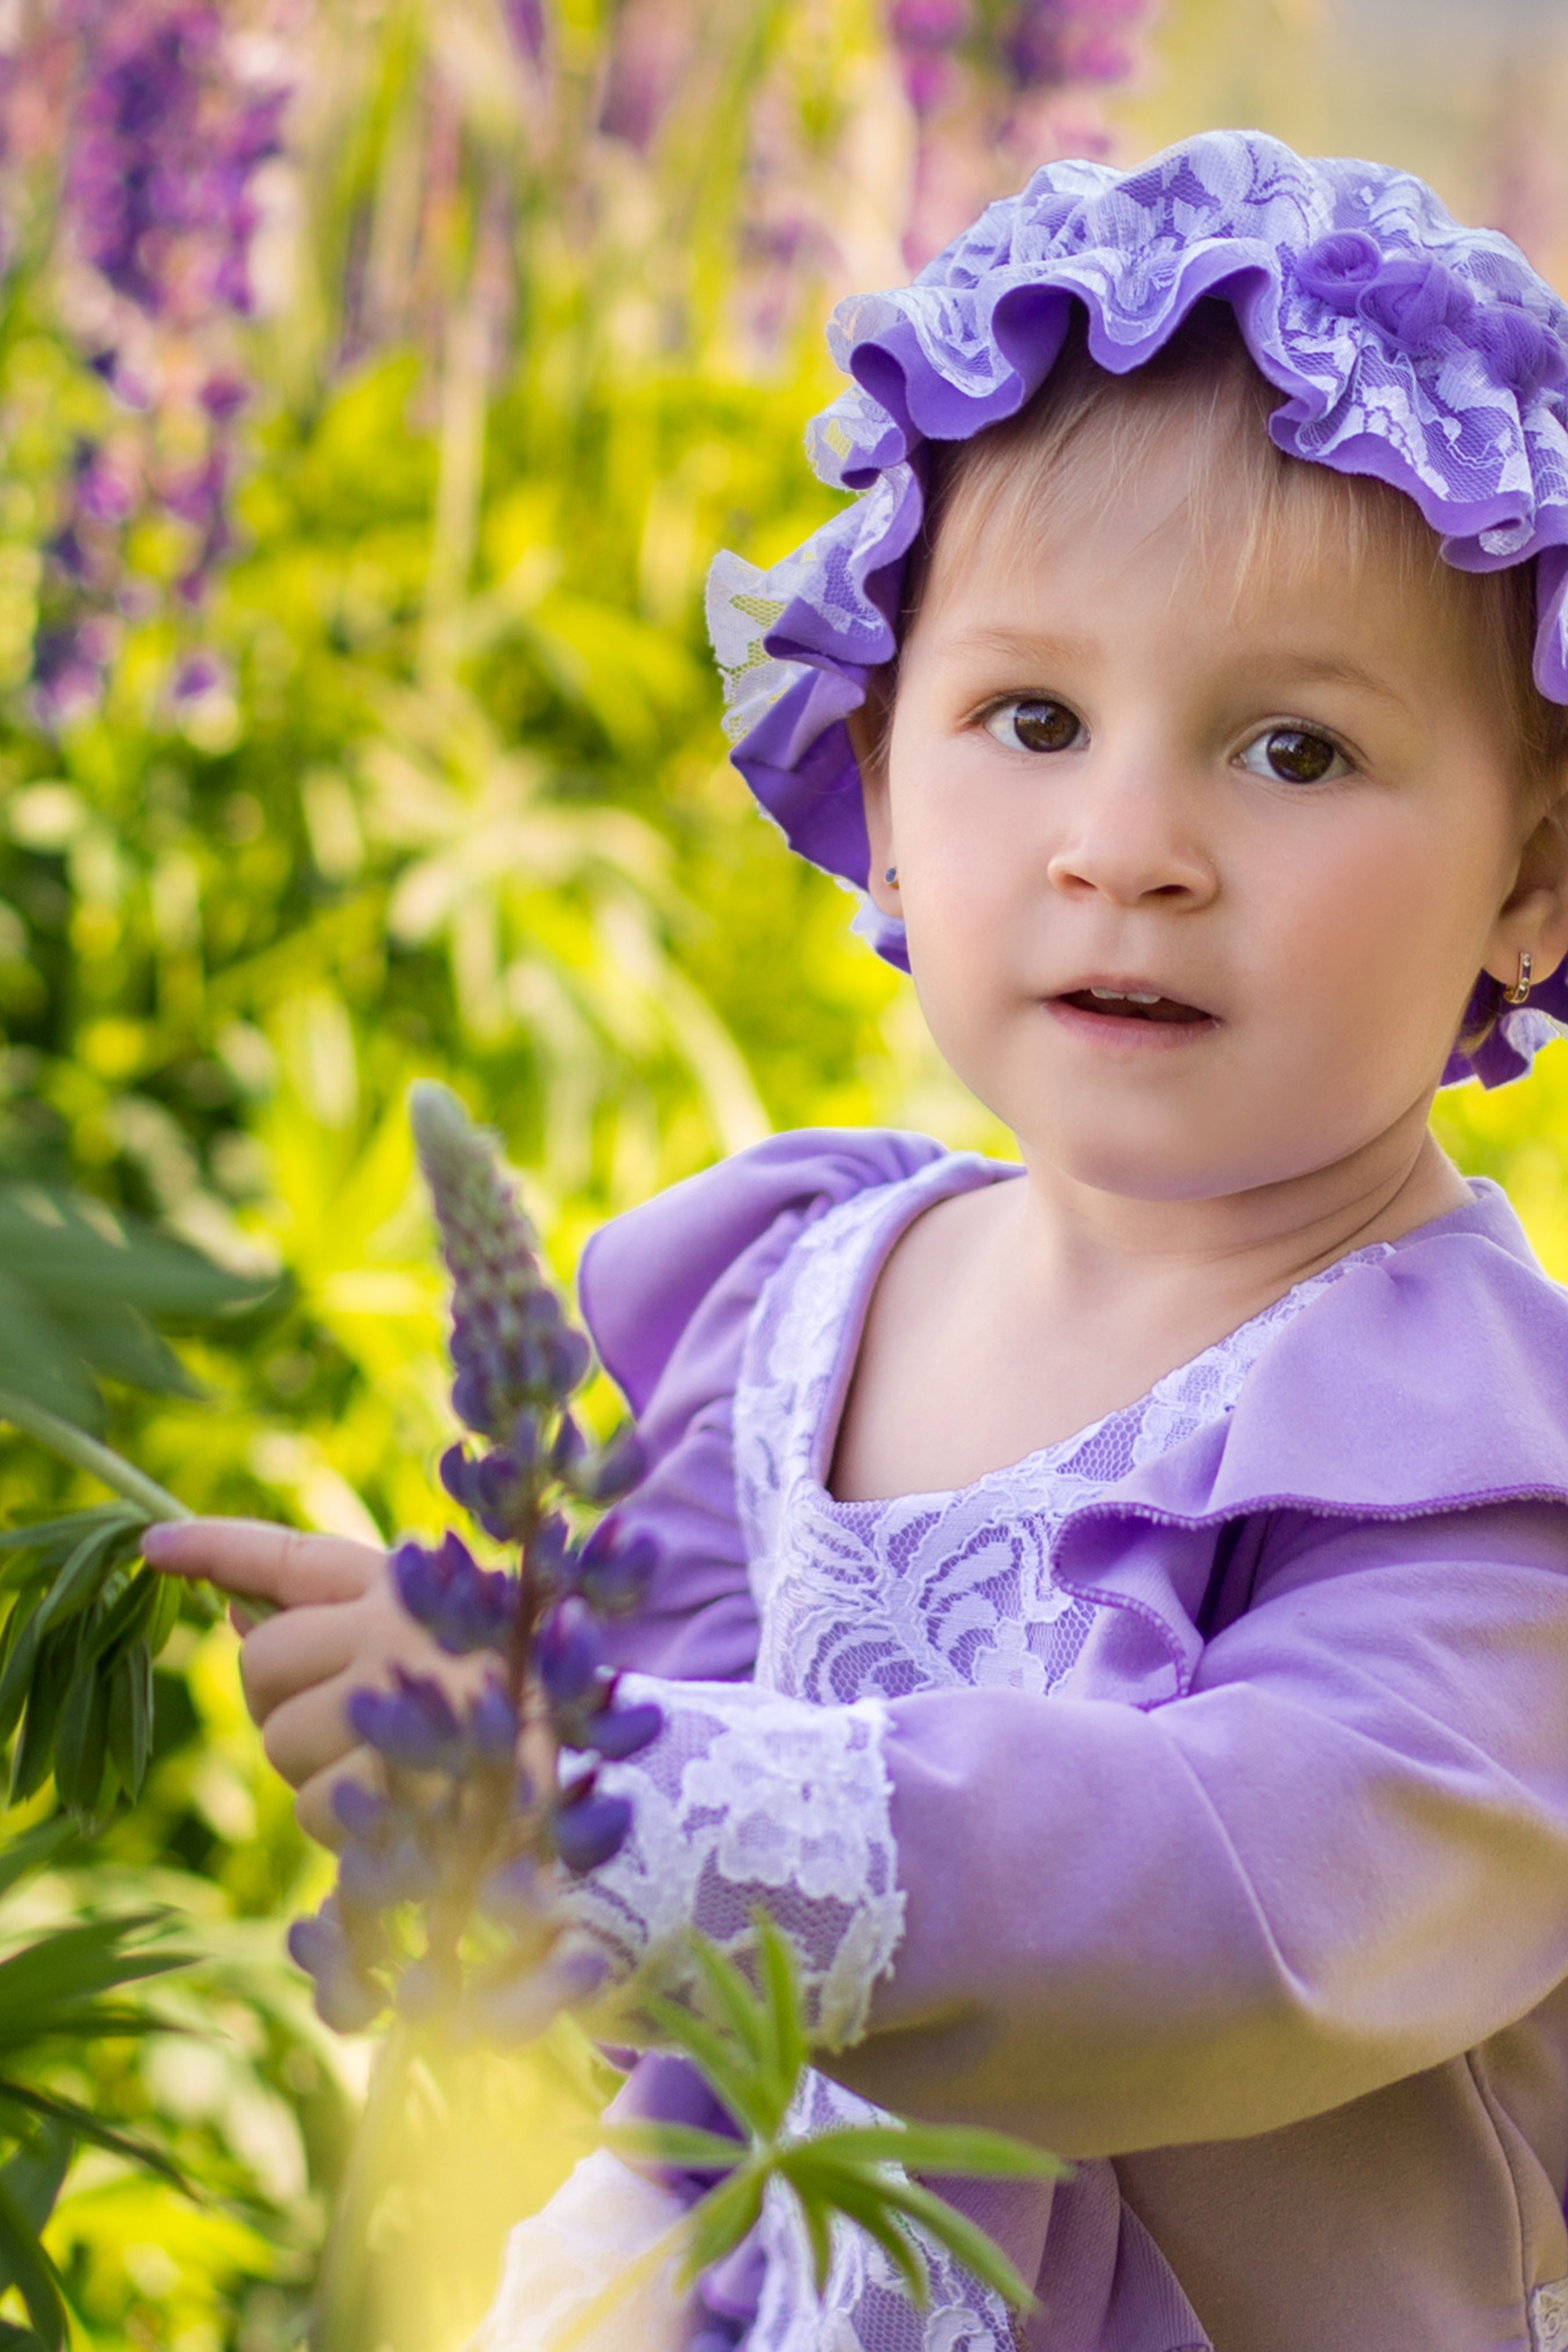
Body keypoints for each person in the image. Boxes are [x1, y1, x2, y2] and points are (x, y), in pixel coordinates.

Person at [145, 128, 1568, 2352]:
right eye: (1030, 719)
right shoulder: (804, 1293)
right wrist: (490, 1817)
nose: (1128, 847)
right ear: (881, 783)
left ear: (1536, 877)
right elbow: (634, 1946)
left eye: (1292, 749)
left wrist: (619, 1804)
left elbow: (1260, 1903)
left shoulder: (1462, 1449)